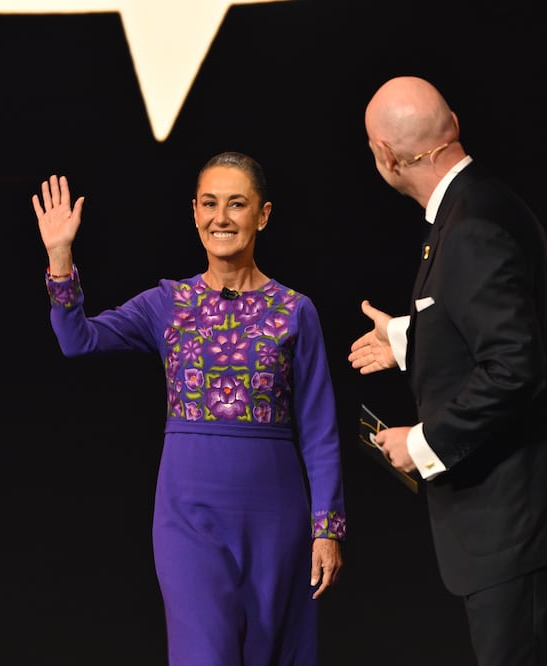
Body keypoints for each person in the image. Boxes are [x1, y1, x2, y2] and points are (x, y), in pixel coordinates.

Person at [348, 76, 547, 666]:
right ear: (453, 124)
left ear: (386, 157)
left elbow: (515, 368)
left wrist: (421, 444)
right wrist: (408, 338)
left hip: (516, 523)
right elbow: (492, 326)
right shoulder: (482, 202)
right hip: (524, 521)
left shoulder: (469, 226)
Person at [33, 151, 346, 666]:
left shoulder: (295, 310)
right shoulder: (168, 303)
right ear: (194, 212)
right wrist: (60, 256)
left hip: (276, 517)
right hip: (188, 518)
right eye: (209, 204)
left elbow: (320, 429)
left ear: (262, 215)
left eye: (237, 204)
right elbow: (77, 340)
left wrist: (326, 528)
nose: (220, 218)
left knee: (274, 653)